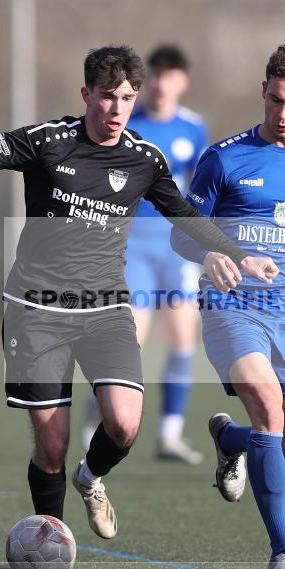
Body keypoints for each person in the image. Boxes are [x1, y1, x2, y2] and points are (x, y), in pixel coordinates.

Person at [0, 45, 277, 541]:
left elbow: (184, 214)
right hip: (37, 309)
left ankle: (91, 477)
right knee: (51, 446)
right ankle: (51, 540)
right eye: (107, 96)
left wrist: (237, 255)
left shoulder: (144, 158)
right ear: (86, 94)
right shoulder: (49, 141)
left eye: (127, 98)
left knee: (124, 424)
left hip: (106, 308)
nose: (117, 109)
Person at [171, 43, 285, 569]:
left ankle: (230, 438)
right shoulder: (224, 159)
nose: (283, 113)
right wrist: (212, 255)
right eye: (275, 100)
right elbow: (182, 235)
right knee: (268, 406)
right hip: (233, 308)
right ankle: (283, 551)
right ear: (263, 92)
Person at [81, 45, 209, 464]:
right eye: (154, 76)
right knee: (130, 339)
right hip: (133, 245)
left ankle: (169, 434)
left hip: (177, 247)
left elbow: (199, 188)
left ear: (182, 82)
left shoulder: (194, 128)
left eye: (169, 76)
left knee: (183, 336)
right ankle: (98, 412)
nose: (160, 84)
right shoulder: (127, 123)